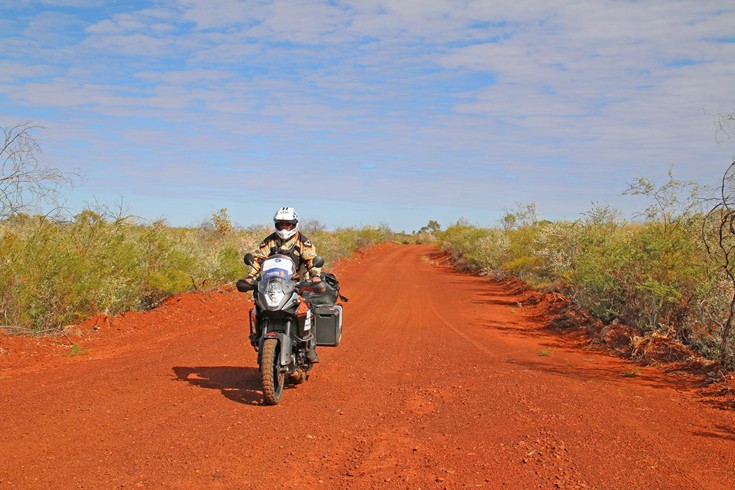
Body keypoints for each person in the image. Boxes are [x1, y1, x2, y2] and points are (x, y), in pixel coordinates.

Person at [244, 206, 322, 363]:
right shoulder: (269, 241)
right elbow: (258, 259)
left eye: (288, 224)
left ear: (294, 224)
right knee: (258, 305)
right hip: (272, 283)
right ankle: (257, 334)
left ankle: (309, 346)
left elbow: (311, 260)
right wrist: (250, 276)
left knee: (307, 309)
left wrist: (315, 277)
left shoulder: (303, 242)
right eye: (281, 224)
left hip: (298, 284)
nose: (284, 227)